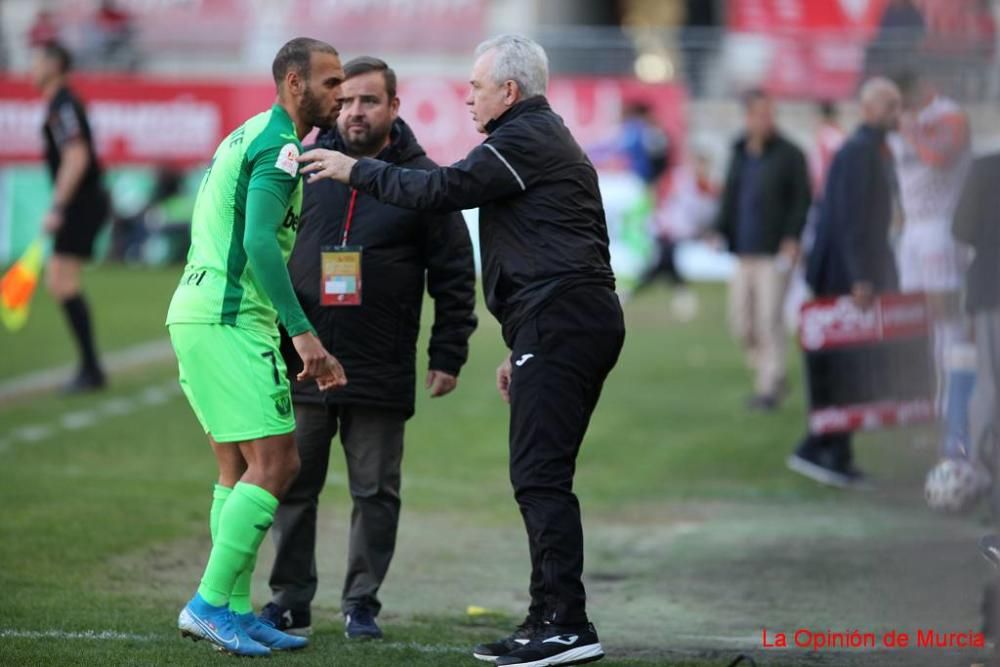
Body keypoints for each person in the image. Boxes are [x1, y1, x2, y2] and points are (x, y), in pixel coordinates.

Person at [298, 34, 624, 667]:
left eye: (475, 86)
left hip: (562, 321)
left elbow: (442, 189)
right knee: (540, 474)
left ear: (509, 90)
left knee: (540, 476)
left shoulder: (524, 137)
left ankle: (566, 624)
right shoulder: (536, 140)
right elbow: (576, 242)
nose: (468, 97)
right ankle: (548, 617)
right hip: (559, 321)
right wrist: (525, 338)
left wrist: (355, 169)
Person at [260, 56, 478, 639]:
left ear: (394, 108)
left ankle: (361, 603)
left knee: (376, 492)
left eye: (369, 101)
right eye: (348, 100)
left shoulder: (423, 180)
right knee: (292, 485)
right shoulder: (299, 163)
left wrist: (448, 352)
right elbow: (265, 248)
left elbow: (455, 273)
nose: (355, 111)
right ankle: (288, 599)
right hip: (303, 358)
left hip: (377, 363)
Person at [165, 37, 347, 657]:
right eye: (329, 82)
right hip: (229, 317)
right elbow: (261, 243)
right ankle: (209, 604)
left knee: (236, 469)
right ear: (295, 84)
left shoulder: (247, 133)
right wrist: (302, 333)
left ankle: (235, 611)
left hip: (196, 312)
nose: (339, 93)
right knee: (279, 465)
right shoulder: (280, 146)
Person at [787, 78, 903, 487]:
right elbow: (852, 221)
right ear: (868, 108)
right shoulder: (860, 153)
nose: (897, 114)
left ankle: (825, 448)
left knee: (841, 369)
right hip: (843, 278)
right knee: (843, 370)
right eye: (891, 106)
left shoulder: (865, 150)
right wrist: (860, 279)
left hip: (839, 274)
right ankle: (829, 452)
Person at [890, 71, 973, 458]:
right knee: (915, 317)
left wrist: (910, 130)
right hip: (912, 229)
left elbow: (939, 158)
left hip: (942, 225)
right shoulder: (899, 123)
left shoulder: (949, 116)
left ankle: (953, 405)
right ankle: (925, 403)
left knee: (945, 316)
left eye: (901, 100)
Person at [714, 89, 811, 412]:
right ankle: (771, 372)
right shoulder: (739, 152)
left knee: (769, 319)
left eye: (770, 114)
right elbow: (730, 197)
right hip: (743, 250)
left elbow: (801, 200)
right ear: (748, 117)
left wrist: (793, 237)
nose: (766, 120)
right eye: (760, 114)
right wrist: (719, 229)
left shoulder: (791, 154)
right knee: (741, 322)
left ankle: (769, 386)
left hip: (773, 251)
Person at [31, 41, 110, 393]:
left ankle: (91, 370)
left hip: (81, 203)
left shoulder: (63, 105)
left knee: (62, 282)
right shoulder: (59, 105)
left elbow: (77, 157)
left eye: (37, 60)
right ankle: (91, 367)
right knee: (59, 281)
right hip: (81, 202)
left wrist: (58, 207)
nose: (31, 68)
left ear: (54, 64)